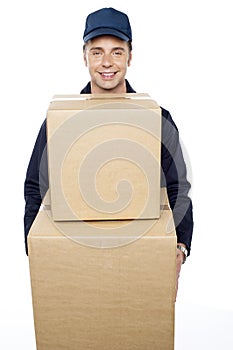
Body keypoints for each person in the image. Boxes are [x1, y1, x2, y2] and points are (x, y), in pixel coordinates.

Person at [24, 7, 193, 293]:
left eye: (116, 51)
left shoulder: (156, 118)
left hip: (141, 257)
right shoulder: (60, 121)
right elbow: (34, 188)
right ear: (84, 56)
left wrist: (180, 247)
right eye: (97, 51)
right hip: (74, 258)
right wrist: (36, 250)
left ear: (130, 56)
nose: (106, 62)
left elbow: (178, 187)